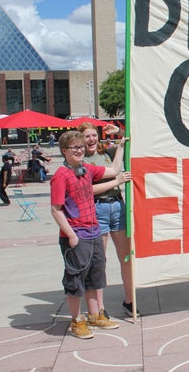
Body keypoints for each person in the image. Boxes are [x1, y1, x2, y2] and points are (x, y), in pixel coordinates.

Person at [50, 130, 128, 339]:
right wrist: (71, 235)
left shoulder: (86, 169)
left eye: (81, 146)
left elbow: (113, 169)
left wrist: (120, 147)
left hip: (94, 229)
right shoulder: (61, 175)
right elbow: (56, 209)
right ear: (64, 151)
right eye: (74, 147)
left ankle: (94, 315)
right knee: (76, 277)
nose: (79, 150)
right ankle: (76, 320)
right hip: (76, 233)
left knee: (96, 274)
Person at [78, 122, 136, 318]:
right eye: (87, 136)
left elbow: (132, 142)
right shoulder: (80, 160)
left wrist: (119, 132)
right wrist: (116, 181)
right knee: (99, 261)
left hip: (117, 205)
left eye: (94, 135)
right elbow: (86, 190)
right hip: (96, 209)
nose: (91, 139)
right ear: (80, 139)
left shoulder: (107, 152)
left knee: (126, 257)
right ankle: (99, 308)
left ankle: (130, 301)